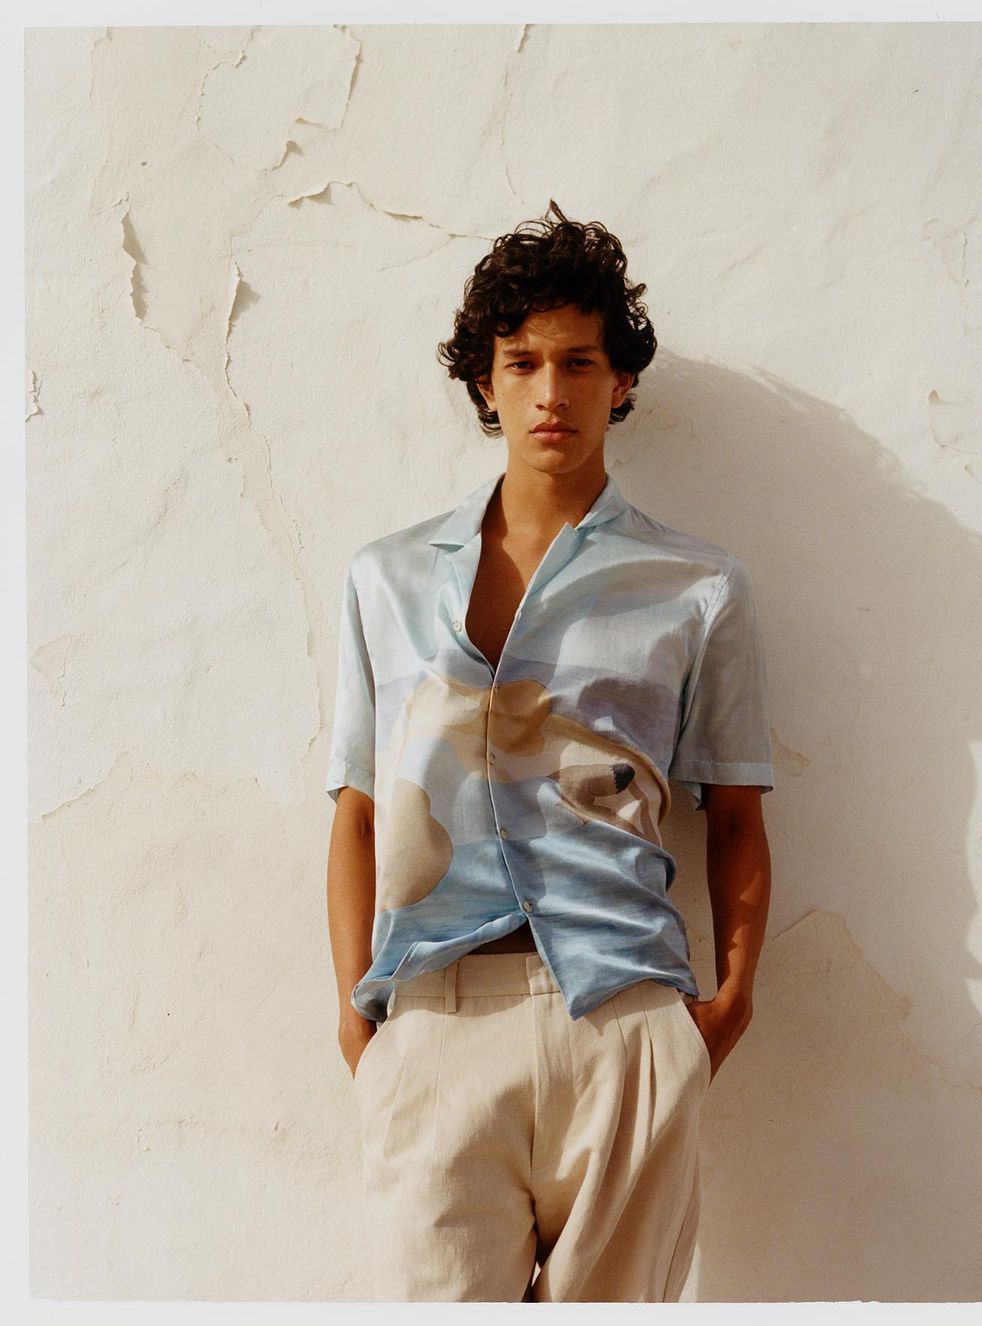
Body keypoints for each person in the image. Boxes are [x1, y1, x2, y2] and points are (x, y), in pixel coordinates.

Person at [325, 200, 774, 1303]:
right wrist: (360, 1025)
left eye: (579, 363)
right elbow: (358, 812)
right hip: (436, 1021)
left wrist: (726, 1008)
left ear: (621, 381)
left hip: (625, 1018)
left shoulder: (697, 586)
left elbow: (735, 813)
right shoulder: (386, 578)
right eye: (522, 363)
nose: (551, 392)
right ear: (485, 385)